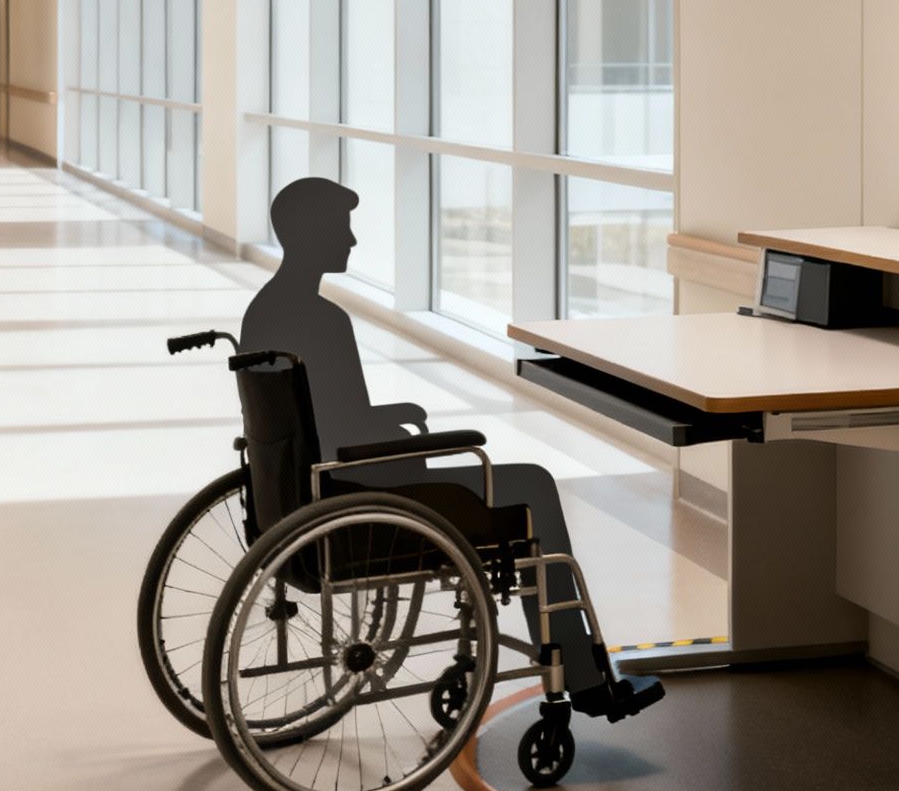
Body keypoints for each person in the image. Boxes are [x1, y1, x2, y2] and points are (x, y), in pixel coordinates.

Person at [242, 177, 657, 716]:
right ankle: (580, 674)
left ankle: (577, 664)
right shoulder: (324, 320)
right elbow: (351, 437)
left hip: (294, 492)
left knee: (489, 471)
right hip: (358, 495)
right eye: (342, 228)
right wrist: (412, 442)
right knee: (532, 484)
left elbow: (326, 418)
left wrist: (390, 419)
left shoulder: (263, 311)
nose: (352, 240)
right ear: (310, 234)